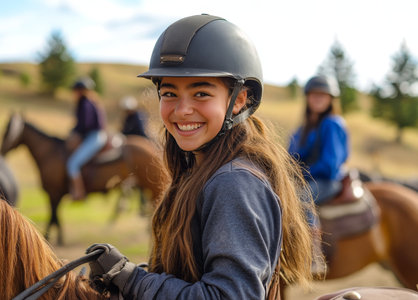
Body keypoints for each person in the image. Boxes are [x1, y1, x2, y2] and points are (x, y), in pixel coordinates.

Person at [85, 14, 315, 299]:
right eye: (169, 93)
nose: (182, 110)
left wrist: (133, 280)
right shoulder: (200, 170)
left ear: (239, 100)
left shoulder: (233, 183)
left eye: (201, 94)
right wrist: (127, 277)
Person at [288, 75, 349, 206]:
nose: (317, 98)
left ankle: (310, 227)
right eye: (314, 94)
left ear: (330, 99)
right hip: (305, 179)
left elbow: (329, 166)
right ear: (308, 97)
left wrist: (301, 174)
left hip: (327, 182)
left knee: (299, 201)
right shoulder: (303, 128)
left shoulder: (332, 124)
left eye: (322, 95)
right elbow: (291, 156)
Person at [66, 77, 107, 200]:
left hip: (95, 136)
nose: (75, 93)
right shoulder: (90, 102)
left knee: (72, 164)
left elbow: (86, 125)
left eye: (77, 90)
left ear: (82, 91)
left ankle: (79, 192)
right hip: (93, 135)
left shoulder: (85, 103)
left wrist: (75, 134)